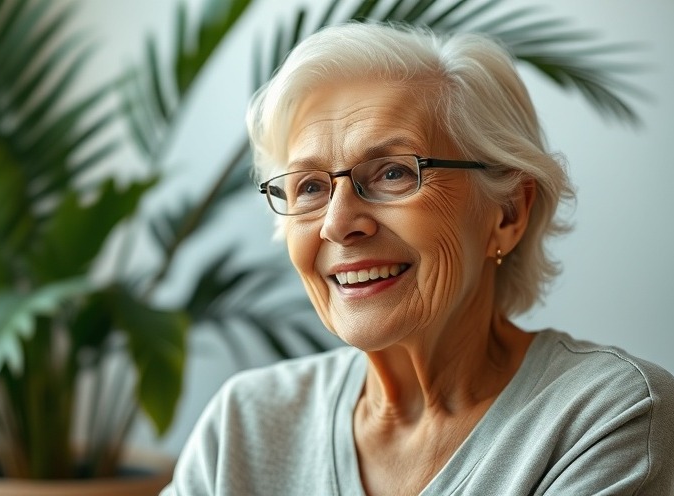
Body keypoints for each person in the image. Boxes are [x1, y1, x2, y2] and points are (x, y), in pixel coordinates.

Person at [161, 22, 674, 495]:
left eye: (392, 173)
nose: (338, 223)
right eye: (311, 187)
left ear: (508, 212)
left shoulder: (609, 417)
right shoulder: (245, 423)